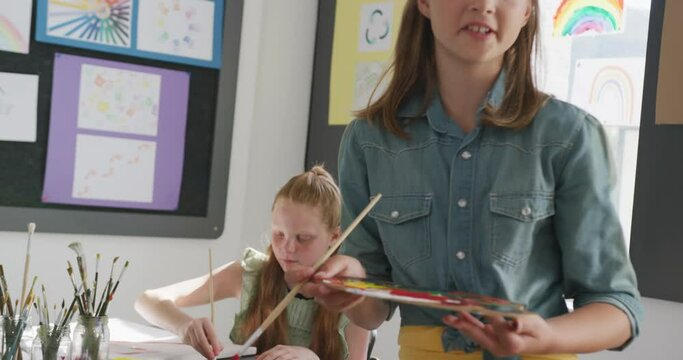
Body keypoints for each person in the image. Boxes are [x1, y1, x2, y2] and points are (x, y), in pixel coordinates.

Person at [292, 0, 643, 359]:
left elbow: (618, 308)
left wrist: (548, 336)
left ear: (527, 12)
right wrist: (349, 287)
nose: (484, 5)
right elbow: (373, 310)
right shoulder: (368, 140)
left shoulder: (571, 136)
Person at [135, 166, 370, 360]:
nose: (287, 248)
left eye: (303, 238)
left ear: (334, 237)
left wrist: (312, 358)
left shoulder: (350, 298)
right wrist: (184, 327)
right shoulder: (251, 274)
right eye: (279, 235)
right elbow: (146, 301)